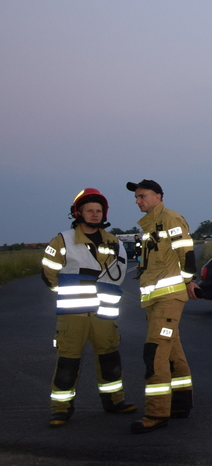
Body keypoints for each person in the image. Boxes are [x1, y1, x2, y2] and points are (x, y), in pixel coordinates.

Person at [41, 188, 136, 427]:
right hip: (73, 314)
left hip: (104, 312)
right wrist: (67, 292)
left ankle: (115, 401)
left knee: (110, 359)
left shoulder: (113, 241)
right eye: (90, 211)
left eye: (99, 211)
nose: (95, 214)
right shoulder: (62, 240)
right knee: (67, 363)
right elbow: (48, 273)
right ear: (78, 213)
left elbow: (119, 274)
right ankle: (60, 410)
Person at [127, 179, 198, 434]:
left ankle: (157, 413)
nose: (138, 201)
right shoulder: (151, 225)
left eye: (142, 196)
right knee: (172, 352)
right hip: (156, 301)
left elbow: (186, 254)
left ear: (158, 196)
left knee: (154, 352)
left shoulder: (170, 219)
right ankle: (180, 403)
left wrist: (189, 281)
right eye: (136, 197)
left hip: (168, 300)